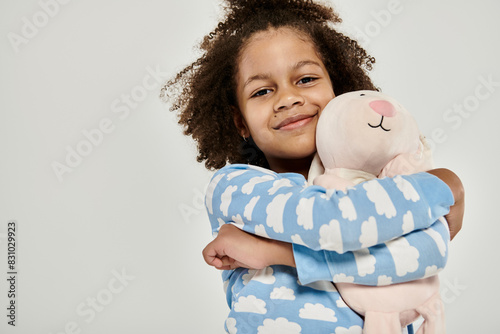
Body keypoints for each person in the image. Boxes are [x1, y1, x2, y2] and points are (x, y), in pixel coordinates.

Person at [162, 0, 465, 333]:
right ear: (241, 122)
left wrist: (275, 252)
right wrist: (444, 187)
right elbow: (332, 222)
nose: (288, 98)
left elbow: (428, 255)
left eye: (305, 79)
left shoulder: (374, 187)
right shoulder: (235, 187)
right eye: (262, 91)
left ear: (337, 89)